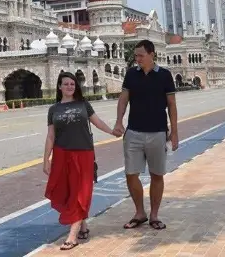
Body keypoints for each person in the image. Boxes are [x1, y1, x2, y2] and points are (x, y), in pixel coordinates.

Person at [44, 71, 120, 250]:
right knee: (68, 192)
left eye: (72, 84)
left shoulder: (84, 104)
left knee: (81, 192)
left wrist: (112, 131)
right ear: (59, 87)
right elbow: (50, 135)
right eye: (66, 84)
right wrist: (46, 159)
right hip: (62, 154)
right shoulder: (53, 109)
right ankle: (83, 226)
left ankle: (73, 235)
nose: (70, 86)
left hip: (83, 154)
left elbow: (97, 122)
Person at [113, 39, 178, 231]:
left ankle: (154, 215)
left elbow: (172, 106)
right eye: (136, 55)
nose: (137, 59)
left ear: (152, 55)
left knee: (157, 174)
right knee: (131, 174)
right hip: (133, 132)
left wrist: (174, 132)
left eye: (141, 55)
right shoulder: (131, 74)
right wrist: (119, 121)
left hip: (158, 133)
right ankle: (139, 212)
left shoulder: (165, 75)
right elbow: (123, 99)